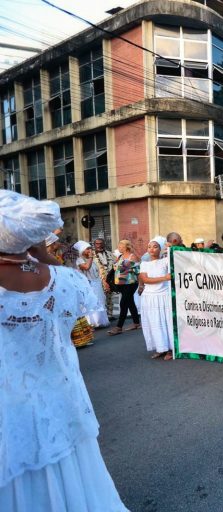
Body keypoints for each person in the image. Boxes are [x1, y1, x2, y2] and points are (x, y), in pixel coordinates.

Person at [0, 190, 127, 510]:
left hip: (10, 412)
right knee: (73, 484)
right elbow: (82, 290)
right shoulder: (63, 280)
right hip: (61, 402)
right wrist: (40, 253)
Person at [139, 236, 174, 360]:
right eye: (149, 247)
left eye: (155, 247)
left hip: (163, 296)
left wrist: (170, 248)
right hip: (149, 298)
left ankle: (170, 349)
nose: (151, 249)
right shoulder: (144, 264)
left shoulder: (165, 261)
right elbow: (145, 279)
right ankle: (160, 348)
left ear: (160, 249)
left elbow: (175, 257)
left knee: (166, 322)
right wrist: (164, 278)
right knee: (153, 323)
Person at [108, 239, 141, 336]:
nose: (119, 248)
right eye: (119, 246)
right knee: (130, 302)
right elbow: (115, 269)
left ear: (126, 247)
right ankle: (136, 323)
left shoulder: (132, 256)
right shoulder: (120, 256)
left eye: (121, 246)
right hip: (121, 284)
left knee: (123, 303)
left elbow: (138, 272)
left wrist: (141, 285)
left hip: (131, 283)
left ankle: (119, 327)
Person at [74, 241, 110, 328]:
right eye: (87, 249)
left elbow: (98, 272)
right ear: (82, 250)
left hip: (97, 283)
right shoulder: (79, 260)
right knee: (91, 303)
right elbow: (86, 267)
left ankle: (100, 321)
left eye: (90, 248)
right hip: (88, 285)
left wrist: (104, 282)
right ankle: (92, 322)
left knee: (100, 301)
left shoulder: (93, 259)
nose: (90, 250)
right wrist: (90, 258)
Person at [92, 238, 116, 320]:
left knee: (109, 296)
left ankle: (110, 314)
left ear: (104, 244)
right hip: (98, 279)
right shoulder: (91, 255)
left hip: (110, 279)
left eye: (101, 243)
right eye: (97, 244)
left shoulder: (109, 254)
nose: (99, 245)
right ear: (94, 245)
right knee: (101, 297)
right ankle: (103, 316)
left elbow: (115, 264)